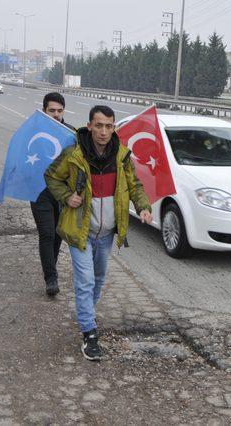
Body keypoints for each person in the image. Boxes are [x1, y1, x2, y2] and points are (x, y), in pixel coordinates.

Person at [45, 105, 152, 361]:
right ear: (90, 126)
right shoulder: (75, 153)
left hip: (106, 234)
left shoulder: (122, 156)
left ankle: (86, 316)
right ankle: (89, 333)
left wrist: (144, 207)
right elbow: (51, 176)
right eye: (99, 125)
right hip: (80, 231)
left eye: (109, 126)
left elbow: (134, 185)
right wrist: (66, 196)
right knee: (86, 281)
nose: (104, 131)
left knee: (99, 279)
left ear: (114, 127)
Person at [30, 92, 75, 297]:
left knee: (57, 235)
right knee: (47, 233)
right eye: (52, 110)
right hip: (40, 191)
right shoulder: (33, 132)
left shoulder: (72, 135)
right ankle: (51, 279)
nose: (56, 114)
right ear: (44, 110)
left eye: (59, 110)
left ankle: (51, 268)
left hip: (63, 193)